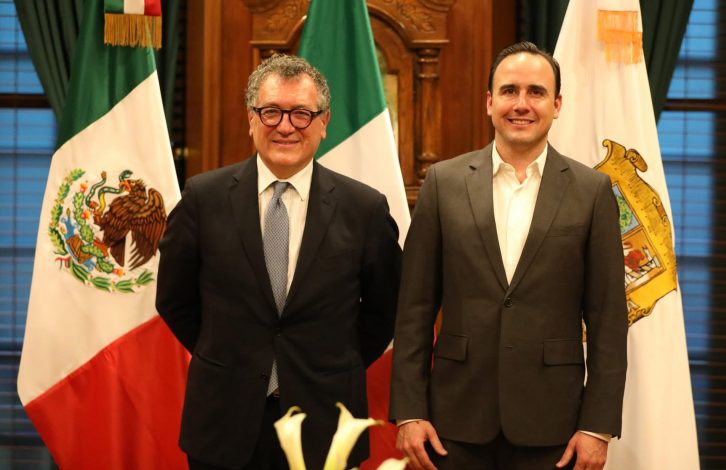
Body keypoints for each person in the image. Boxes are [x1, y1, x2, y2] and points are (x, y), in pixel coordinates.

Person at [389, 41, 628, 470]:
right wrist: (410, 411)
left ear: (557, 105)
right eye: (509, 91)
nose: (522, 104)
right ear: (489, 102)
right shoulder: (443, 183)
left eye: (536, 92)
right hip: (452, 422)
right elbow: (414, 309)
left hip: (554, 425)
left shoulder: (592, 191)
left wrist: (598, 426)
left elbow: (608, 318)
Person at [156, 54, 402, 470]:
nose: (285, 126)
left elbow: (386, 311)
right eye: (271, 112)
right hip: (223, 421)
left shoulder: (364, 209)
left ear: (324, 123)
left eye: (301, 114)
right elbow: (174, 299)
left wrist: (327, 363)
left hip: (326, 421)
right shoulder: (202, 198)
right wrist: (229, 353)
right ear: (251, 119)